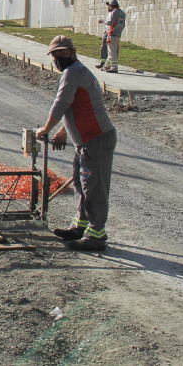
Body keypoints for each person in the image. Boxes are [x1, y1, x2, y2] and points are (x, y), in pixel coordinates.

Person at [37, 35, 117, 252]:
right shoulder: (76, 71)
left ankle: (96, 235)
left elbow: (61, 104)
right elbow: (75, 106)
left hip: (96, 137)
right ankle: (80, 226)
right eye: (56, 54)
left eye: (63, 52)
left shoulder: (73, 72)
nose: (59, 57)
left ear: (72, 52)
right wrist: (63, 132)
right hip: (84, 140)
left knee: (94, 187)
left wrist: (46, 129)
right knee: (81, 183)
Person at [98, 0, 126, 73]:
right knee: (111, 51)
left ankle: (114, 68)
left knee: (112, 51)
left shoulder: (114, 12)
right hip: (118, 34)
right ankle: (106, 66)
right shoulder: (122, 13)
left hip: (112, 33)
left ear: (111, 6)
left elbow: (110, 22)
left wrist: (102, 21)